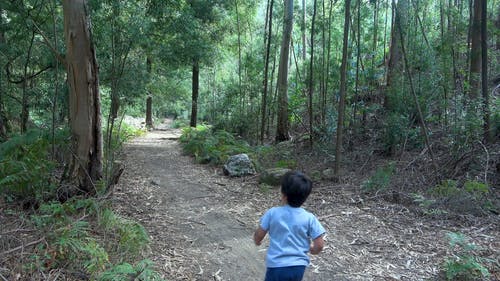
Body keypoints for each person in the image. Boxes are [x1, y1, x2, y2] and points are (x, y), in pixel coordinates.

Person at [254, 171, 325, 281]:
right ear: (305, 197)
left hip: (276, 266)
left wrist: (257, 240)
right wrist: (313, 250)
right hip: (298, 267)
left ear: (284, 195)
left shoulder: (273, 213)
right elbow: (319, 244)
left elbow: (260, 233)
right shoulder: (309, 218)